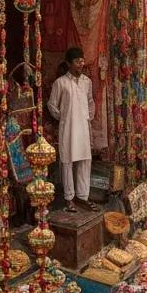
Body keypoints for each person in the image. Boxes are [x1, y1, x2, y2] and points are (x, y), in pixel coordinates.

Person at [47, 47, 98, 213]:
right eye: (77, 61)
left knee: (84, 161)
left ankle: (83, 197)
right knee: (67, 161)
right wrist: (64, 118)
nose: (81, 64)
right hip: (68, 127)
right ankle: (69, 198)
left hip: (83, 127)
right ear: (69, 63)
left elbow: (90, 102)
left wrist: (87, 118)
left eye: (82, 61)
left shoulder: (87, 82)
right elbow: (52, 105)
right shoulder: (60, 83)